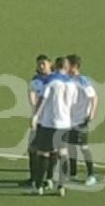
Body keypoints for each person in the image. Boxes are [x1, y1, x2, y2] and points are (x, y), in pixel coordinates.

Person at [29, 58, 77, 196]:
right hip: (65, 123)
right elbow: (73, 104)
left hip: (49, 123)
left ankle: (39, 186)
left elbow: (43, 99)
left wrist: (35, 116)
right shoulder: (72, 83)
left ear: (55, 66)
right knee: (63, 152)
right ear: (67, 68)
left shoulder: (50, 81)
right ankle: (61, 186)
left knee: (44, 153)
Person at [68, 56, 99, 186]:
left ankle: (91, 174)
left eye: (68, 65)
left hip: (81, 119)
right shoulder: (66, 80)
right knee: (70, 146)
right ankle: (73, 172)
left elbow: (94, 97)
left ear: (74, 66)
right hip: (68, 119)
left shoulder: (82, 81)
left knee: (84, 147)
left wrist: (92, 113)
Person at [22, 55, 53, 189]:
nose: (41, 66)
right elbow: (32, 95)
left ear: (49, 64)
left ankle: (49, 178)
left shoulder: (55, 79)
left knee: (51, 150)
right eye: (39, 64)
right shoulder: (36, 80)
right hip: (39, 120)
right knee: (32, 148)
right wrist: (35, 112)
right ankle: (33, 178)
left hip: (51, 121)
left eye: (43, 64)